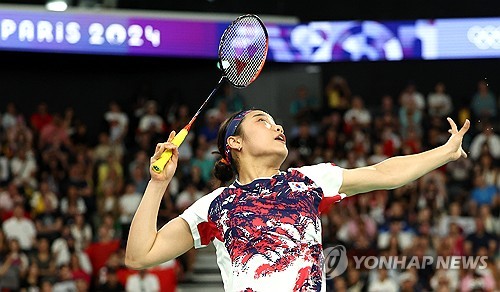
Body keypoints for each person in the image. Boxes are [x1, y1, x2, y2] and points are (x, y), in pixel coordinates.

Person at [125, 109, 470, 291]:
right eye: (263, 122)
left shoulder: (308, 181)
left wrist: (444, 152)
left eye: (277, 123)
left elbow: (384, 174)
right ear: (235, 143)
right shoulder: (215, 206)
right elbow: (140, 255)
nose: (278, 128)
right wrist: (158, 184)